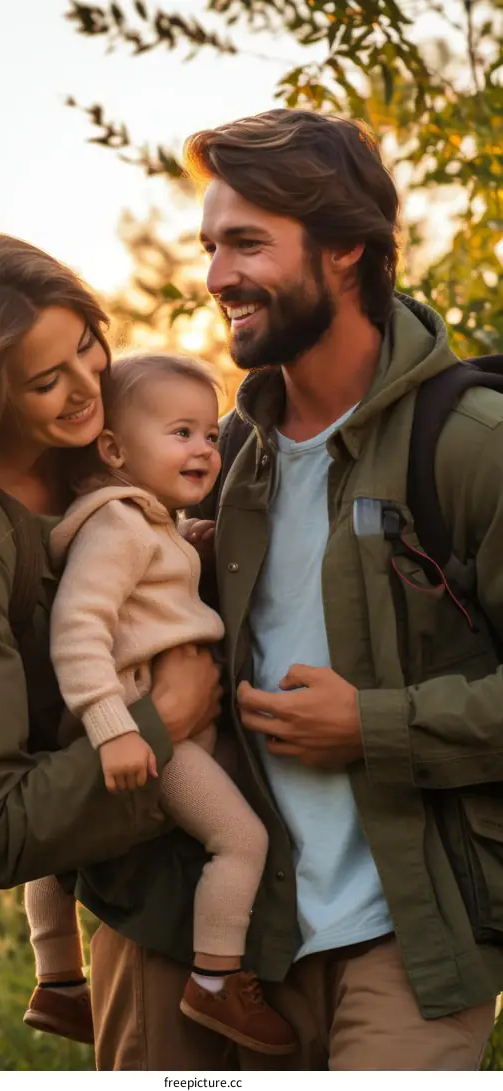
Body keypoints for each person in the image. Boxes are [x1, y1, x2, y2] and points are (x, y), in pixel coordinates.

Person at [87, 110, 502, 1071]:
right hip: (238, 953)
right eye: (209, 245)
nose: (216, 276)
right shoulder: (218, 466)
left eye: (246, 243)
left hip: (413, 944)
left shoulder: (471, 445)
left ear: (348, 245)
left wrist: (377, 724)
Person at [0, 232, 221, 1051]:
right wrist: (164, 721)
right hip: (150, 914)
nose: (90, 388)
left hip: (260, 901)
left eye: (88, 345)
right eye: (48, 381)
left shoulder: (101, 445)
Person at [24, 351, 295, 1055]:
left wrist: (188, 542)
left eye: (209, 433)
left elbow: (149, 592)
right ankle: (215, 978)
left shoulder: (145, 524)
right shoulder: (118, 528)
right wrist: (117, 727)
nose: (205, 447)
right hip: (152, 731)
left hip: (144, 724)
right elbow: (78, 629)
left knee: (61, 849)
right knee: (241, 839)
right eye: (181, 433)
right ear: (113, 448)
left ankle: (56, 978)